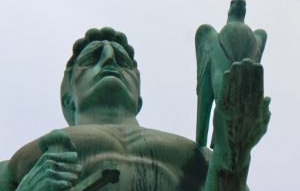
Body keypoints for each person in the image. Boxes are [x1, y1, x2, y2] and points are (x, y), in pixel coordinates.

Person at [0, 27, 270, 191]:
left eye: (123, 61)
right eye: (92, 58)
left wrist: (234, 150)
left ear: (138, 95)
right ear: (67, 97)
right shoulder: (18, 165)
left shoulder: (202, 158)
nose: (109, 60)